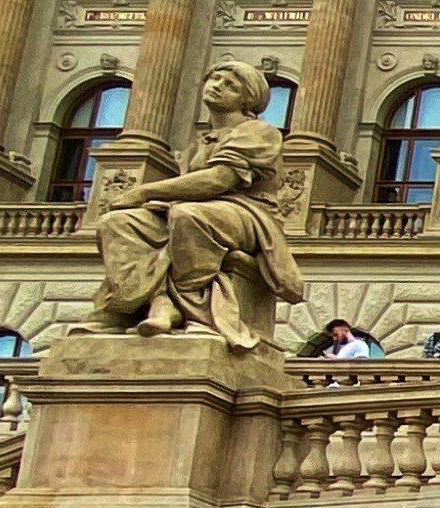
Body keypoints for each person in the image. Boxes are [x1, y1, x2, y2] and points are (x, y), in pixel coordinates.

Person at [90, 62, 304, 352]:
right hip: (203, 208)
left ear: (247, 99)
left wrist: (143, 191)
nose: (216, 85)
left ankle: (190, 305)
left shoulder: (260, 132)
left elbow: (218, 180)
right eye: (215, 79)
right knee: (117, 223)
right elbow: (193, 187)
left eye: (230, 85)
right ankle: (148, 301)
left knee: (189, 216)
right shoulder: (200, 143)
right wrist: (153, 202)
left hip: (250, 214)